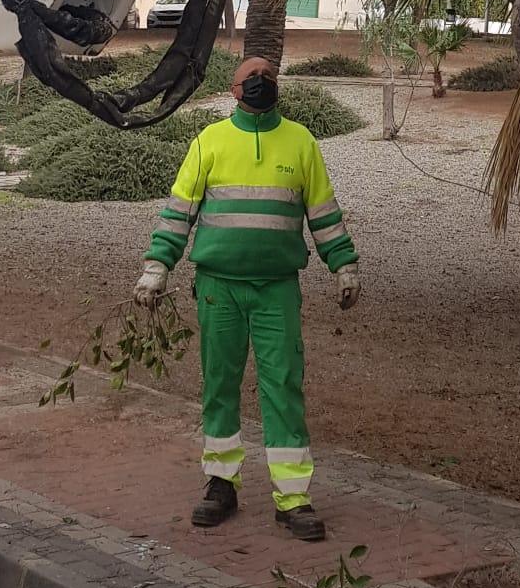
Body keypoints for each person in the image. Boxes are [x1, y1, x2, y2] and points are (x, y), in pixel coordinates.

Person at [133, 55, 359, 541]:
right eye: (250, 78)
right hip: (219, 288)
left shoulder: (301, 142)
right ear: (233, 90)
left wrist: (343, 264)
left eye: (268, 77)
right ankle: (221, 484)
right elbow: (179, 212)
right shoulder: (208, 142)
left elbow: (322, 211)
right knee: (220, 383)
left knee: (283, 386)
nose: (260, 84)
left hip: (277, 288)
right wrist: (156, 267)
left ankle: (293, 498)